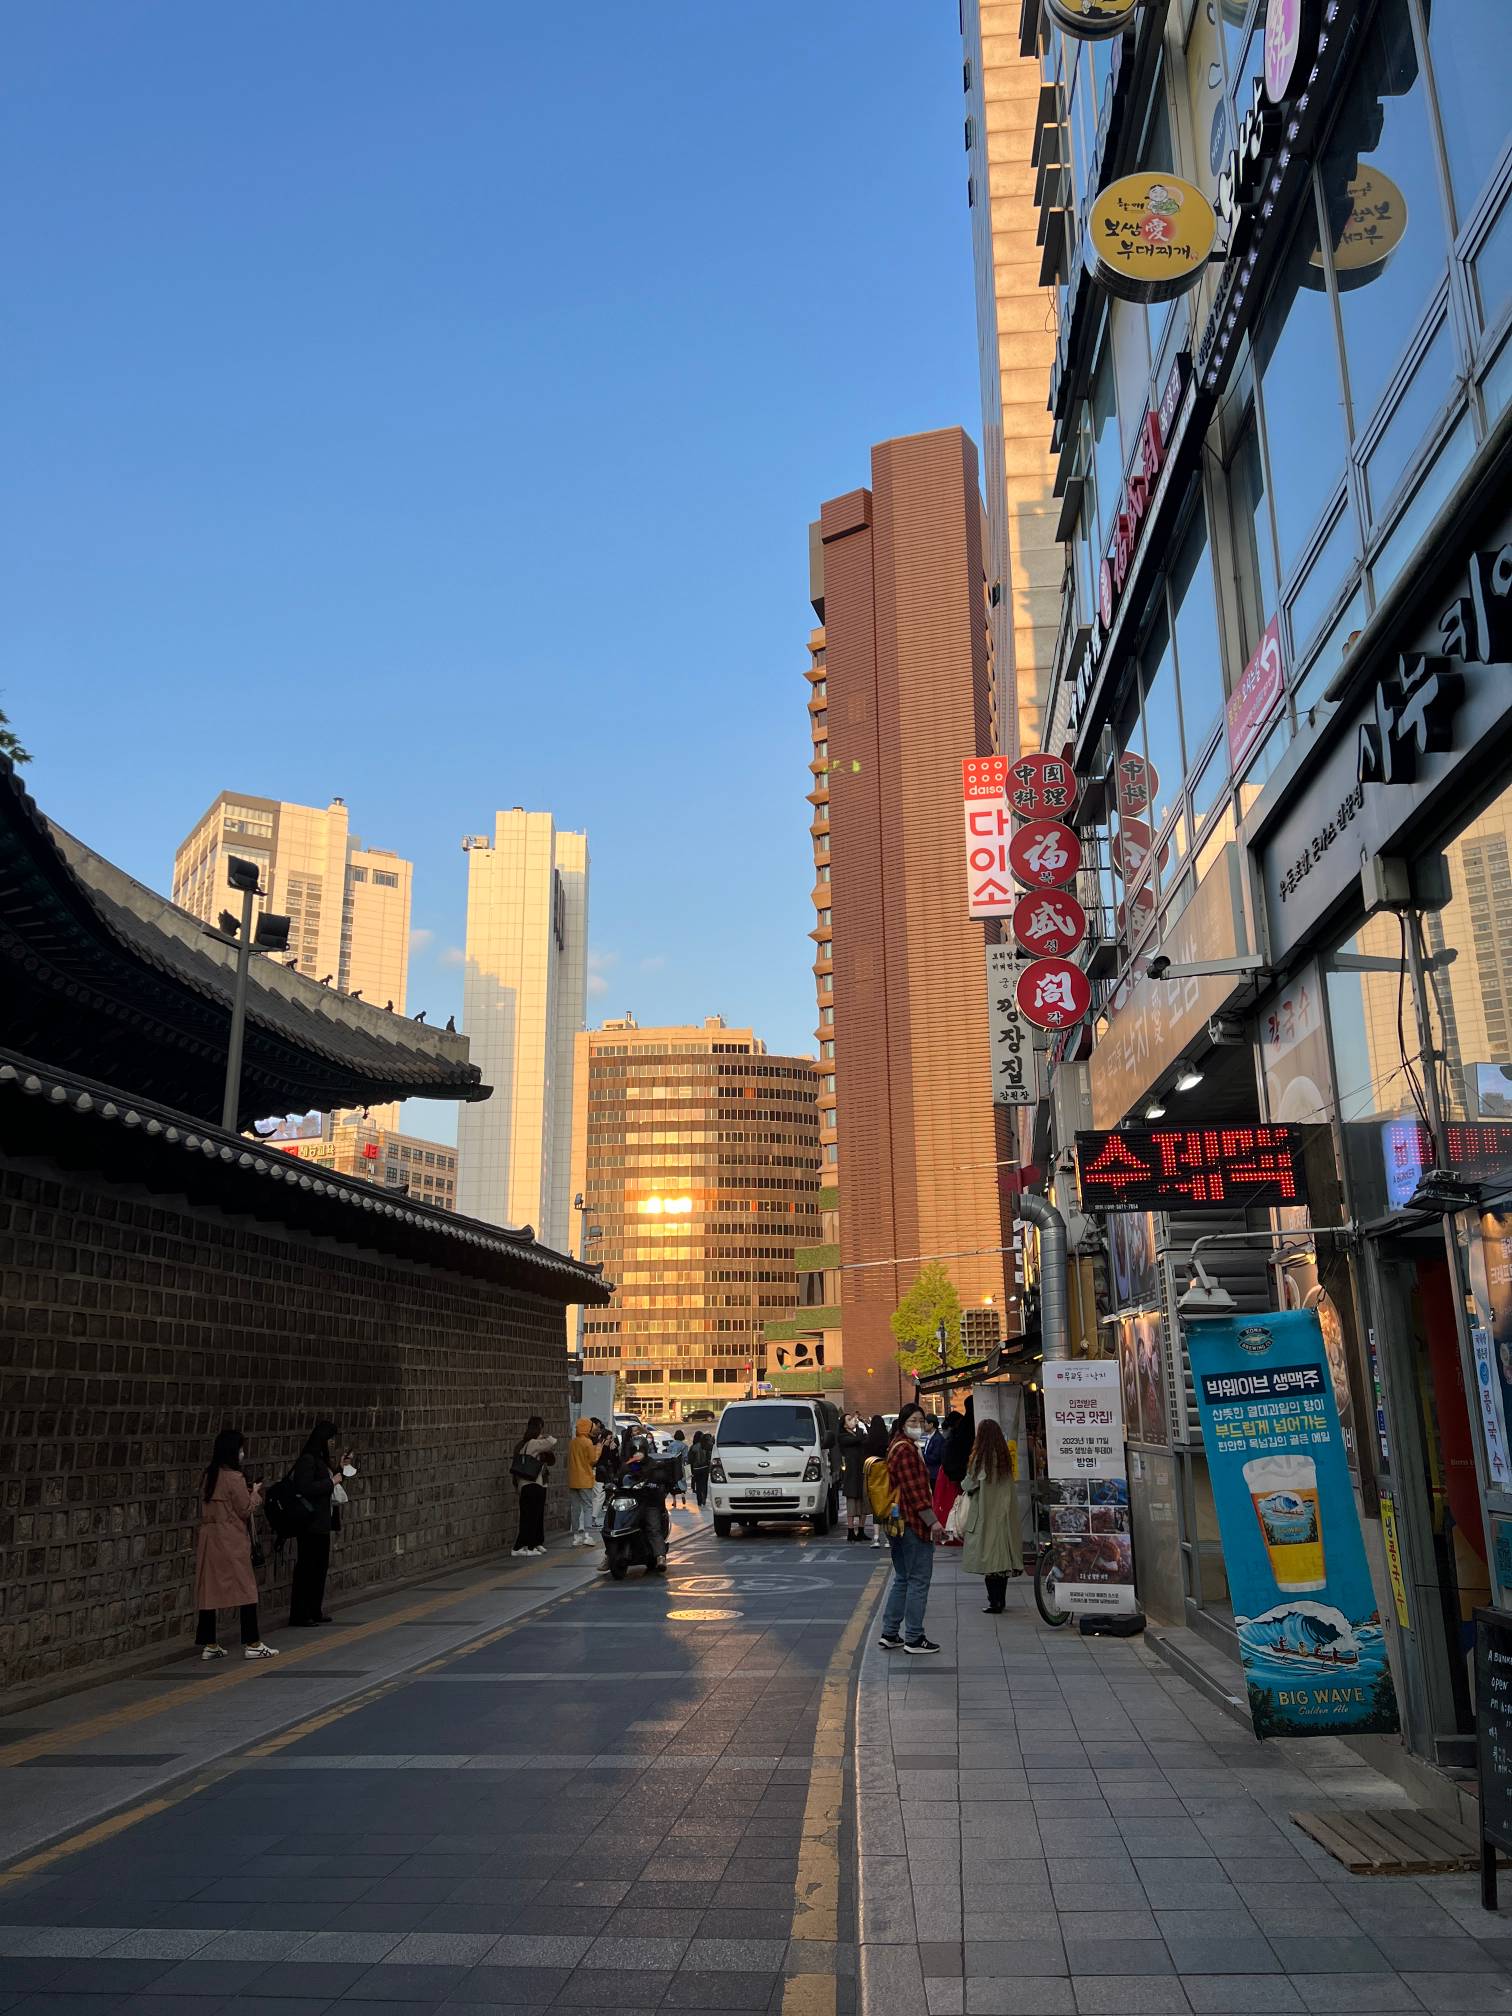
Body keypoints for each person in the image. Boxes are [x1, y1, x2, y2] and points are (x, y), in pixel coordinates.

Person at [195, 1429, 279, 1661]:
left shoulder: (209, 1476)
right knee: (246, 1589)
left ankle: (210, 1643)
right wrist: (255, 1493)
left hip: (210, 1538)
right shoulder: (234, 1477)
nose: (243, 1453)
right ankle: (253, 1642)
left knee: (209, 1590)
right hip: (231, 1538)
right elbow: (244, 1509)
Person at [879, 1402, 947, 1654]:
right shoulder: (905, 1451)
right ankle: (914, 1638)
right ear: (902, 1423)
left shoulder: (896, 1446)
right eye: (913, 1421)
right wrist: (933, 1522)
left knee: (903, 1578)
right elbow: (915, 1492)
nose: (918, 1425)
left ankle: (890, 1632)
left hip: (897, 1523)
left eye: (920, 1421)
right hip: (912, 1524)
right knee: (918, 1580)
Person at [288, 1419, 350, 1627]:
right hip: (310, 1523)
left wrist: (341, 1469)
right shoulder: (307, 1460)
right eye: (330, 1438)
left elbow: (332, 1486)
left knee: (319, 1568)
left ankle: (315, 1609)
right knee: (307, 1568)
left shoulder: (321, 1461)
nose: (332, 1442)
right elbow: (305, 1488)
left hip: (323, 1522)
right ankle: (300, 1613)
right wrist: (330, 1482)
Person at [958, 1418, 1023, 1611]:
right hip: (1004, 1515)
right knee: (1001, 1560)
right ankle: (1001, 1599)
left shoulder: (980, 1459)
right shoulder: (1004, 1458)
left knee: (988, 1560)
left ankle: (994, 1602)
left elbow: (968, 1485)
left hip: (985, 1515)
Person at [511, 1417, 556, 1556]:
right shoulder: (533, 1443)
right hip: (532, 1483)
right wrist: (544, 1437)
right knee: (531, 1516)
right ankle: (526, 1546)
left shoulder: (525, 1444)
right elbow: (552, 1441)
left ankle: (531, 1544)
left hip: (529, 1483)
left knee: (532, 1516)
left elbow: (550, 1459)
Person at [934, 1408, 973, 1534]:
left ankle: (945, 1537)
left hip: (946, 1477)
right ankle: (951, 1536)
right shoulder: (961, 1437)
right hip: (954, 1479)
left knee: (945, 1508)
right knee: (956, 1508)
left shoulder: (950, 1440)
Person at [566, 1416, 600, 1547]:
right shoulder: (588, 1442)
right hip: (585, 1479)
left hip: (573, 1479)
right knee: (587, 1507)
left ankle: (576, 1536)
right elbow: (593, 1460)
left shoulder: (572, 1443)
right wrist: (598, 1450)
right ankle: (587, 1535)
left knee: (575, 1508)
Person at [838, 1412, 869, 1543]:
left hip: (861, 1470)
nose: (852, 1421)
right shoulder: (843, 1436)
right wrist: (859, 1428)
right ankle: (850, 1531)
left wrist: (862, 1427)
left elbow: (866, 1439)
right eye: (849, 1419)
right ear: (844, 1424)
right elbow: (857, 1440)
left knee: (863, 1501)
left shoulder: (858, 1433)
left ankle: (861, 1530)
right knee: (851, 1501)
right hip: (851, 1472)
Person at [864, 1415, 890, 1546]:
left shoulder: (868, 1440)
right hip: (885, 1473)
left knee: (875, 1505)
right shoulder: (887, 1439)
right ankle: (888, 1539)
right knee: (885, 1504)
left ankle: (876, 1538)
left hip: (872, 1474)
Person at [689, 1431, 712, 1510]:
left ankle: (699, 1501)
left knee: (698, 1485)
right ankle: (704, 1500)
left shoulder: (693, 1447)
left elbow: (690, 1460)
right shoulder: (706, 1446)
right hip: (705, 1468)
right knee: (704, 1484)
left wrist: (691, 1471)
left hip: (696, 1469)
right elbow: (709, 1457)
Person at [670, 1430, 689, 1508]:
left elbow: (668, 1454)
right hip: (680, 1465)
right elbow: (685, 1457)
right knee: (681, 1480)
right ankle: (683, 1494)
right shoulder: (684, 1446)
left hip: (672, 1466)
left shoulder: (671, 1445)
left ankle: (674, 1500)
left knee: (673, 1482)